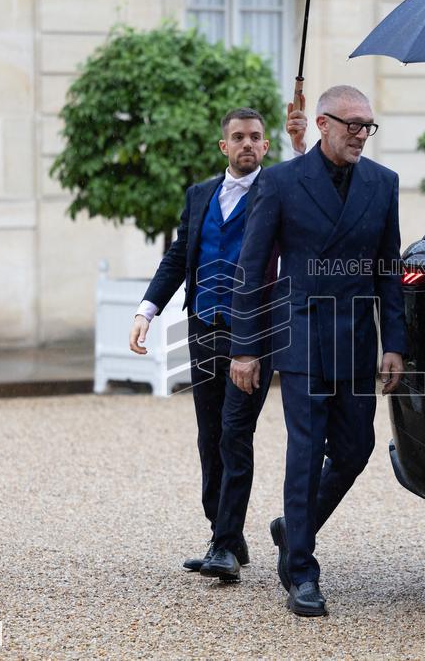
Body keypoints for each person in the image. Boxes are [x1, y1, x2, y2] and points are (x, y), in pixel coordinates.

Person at [228, 85, 406, 617]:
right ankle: (302, 570)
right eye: (352, 125)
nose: (360, 135)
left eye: (367, 126)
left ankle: (292, 526)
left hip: (355, 340)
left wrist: (394, 341)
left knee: (355, 450)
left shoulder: (384, 183)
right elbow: (253, 269)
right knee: (305, 452)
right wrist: (245, 348)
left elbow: (387, 271)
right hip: (301, 338)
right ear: (322, 125)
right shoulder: (281, 183)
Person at [128, 106, 307, 583]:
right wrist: (147, 310)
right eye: (238, 137)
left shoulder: (280, 191)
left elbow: (311, 183)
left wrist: (299, 142)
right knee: (209, 436)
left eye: (255, 138)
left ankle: (225, 545)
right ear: (223, 146)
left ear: (265, 147)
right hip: (204, 326)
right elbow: (178, 256)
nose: (247, 144)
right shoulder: (199, 195)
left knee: (234, 433)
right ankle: (223, 533)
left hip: (255, 334)